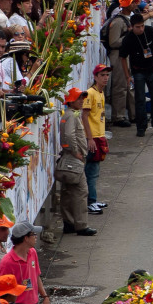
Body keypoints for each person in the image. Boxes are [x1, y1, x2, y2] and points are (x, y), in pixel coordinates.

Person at [119, 14, 153, 138]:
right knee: (140, 100)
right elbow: (122, 58)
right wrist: (127, 76)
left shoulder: (149, 31)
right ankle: (141, 126)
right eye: (138, 27)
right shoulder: (128, 39)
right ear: (132, 27)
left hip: (152, 68)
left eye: (142, 26)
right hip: (138, 71)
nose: (141, 29)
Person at [0, 221, 49, 304]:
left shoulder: (32, 253)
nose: (36, 237)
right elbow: (0, 294)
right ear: (26, 238)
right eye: (34, 234)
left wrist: (45, 297)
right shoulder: (7, 262)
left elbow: (36, 276)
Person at [56, 88, 96, 237]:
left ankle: (69, 223)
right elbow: (68, 135)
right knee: (81, 191)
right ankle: (81, 225)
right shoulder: (71, 116)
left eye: (82, 98)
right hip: (74, 158)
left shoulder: (69, 115)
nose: (82, 101)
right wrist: (75, 152)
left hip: (69, 158)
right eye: (79, 98)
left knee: (68, 192)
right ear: (71, 101)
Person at [105, 0, 136, 127]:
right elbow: (113, 42)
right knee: (120, 86)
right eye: (132, 2)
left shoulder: (127, 19)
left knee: (128, 86)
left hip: (126, 54)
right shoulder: (118, 22)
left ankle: (133, 115)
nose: (135, 4)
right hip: (117, 56)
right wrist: (129, 38)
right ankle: (118, 116)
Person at [84, 65, 111, 214]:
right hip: (93, 138)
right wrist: (90, 138)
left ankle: (93, 199)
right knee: (91, 171)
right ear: (95, 77)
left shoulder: (100, 93)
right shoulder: (90, 93)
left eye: (107, 75)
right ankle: (90, 202)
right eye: (102, 75)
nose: (106, 78)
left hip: (99, 136)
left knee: (95, 170)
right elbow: (84, 116)